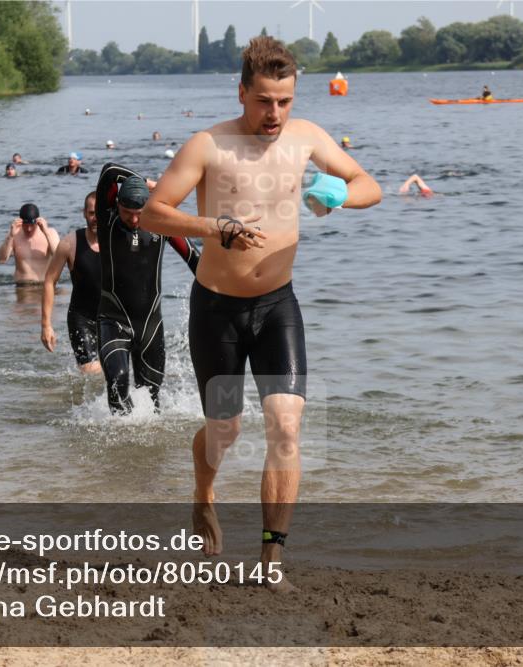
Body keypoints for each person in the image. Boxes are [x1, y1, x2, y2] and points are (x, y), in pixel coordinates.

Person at [140, 36, 381, 591]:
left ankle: (271, 563)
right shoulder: (208, 145)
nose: (274, 113)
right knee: (223, 429)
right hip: (217, 311)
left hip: (278, 306)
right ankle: (204, 492)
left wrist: (338, 195)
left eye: (285, 101)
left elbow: (370, 186)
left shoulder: (308, 139)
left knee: (287, 426)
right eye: (264, 101)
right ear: (242, 91)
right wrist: (214, 227)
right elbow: (153, 214)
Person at [94, 163, 200, 414]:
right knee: (118, 382)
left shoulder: (161, 224)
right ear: (117, 205)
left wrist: (220, 295)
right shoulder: (106, 221)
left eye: (139, 213)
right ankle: (116, 448)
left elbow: (194, 258)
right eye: (127, 212)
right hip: (113, 321)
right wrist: (148, 183)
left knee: (152, 401)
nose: (133, 219)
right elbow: (110, 170)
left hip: (151, 326)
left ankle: (147, 454)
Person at [41, 192, 101, 374]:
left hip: (112, 317)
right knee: (89, 371)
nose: (96, 218)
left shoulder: (118, 241)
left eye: (100, 212)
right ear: (84, 213)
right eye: (91, 213)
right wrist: (46, 325)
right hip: (81, 318)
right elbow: (50, 280)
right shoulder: (69, 243)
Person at [0, 203, 61, 285]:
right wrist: (10, 236)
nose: (29, 229)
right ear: (20, 222)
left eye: (32, 225)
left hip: (44, 285)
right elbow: (1, 259)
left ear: (38, 222)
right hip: (21, 286)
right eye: (26, 225)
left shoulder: (51, 233)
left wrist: (46, 233)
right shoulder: (14, 234)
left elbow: (59, 257)